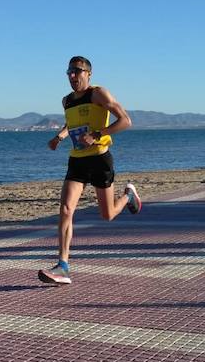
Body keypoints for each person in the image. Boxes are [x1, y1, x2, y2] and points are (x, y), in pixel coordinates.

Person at [38, 56, 141, 285]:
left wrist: (96, 135)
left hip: (99, 158)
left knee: (108, 214)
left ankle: (128, 195)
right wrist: (59, 137)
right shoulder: (66, 101)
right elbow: (71, 124)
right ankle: (63, 265)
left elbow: (125, 121)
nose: (72, 76)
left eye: (77, 71)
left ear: (89, 73)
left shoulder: (99, 94)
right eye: (69, 72)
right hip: (77, 160)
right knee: (65, 209)